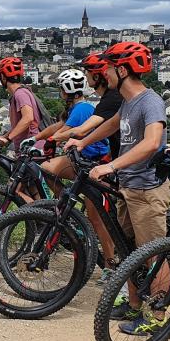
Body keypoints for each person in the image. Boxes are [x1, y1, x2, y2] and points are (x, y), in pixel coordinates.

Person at [65, 42, 170, 336]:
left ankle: (158, 315)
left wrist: (112, 166)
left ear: (122, 70)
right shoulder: (127, 102)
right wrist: (82, 141)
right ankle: (135, 304)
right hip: (129, 189)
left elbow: (151, 143)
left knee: (153, 254)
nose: (104, 73)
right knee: (129, 251)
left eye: (109, 67)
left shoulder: (150, 101)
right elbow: (112, 124)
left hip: (147, 190)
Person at [25, 53, 122, 284]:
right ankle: (67, 206)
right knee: (50, 170)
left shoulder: (86, 107)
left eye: (90, 72)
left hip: (95, 162)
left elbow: (69, 131)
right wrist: (39, 138)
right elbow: (60, 127)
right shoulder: (87, 105)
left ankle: (110, 264)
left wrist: (46, 143)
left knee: (97, 217)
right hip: (89, 160)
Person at [21, 69, 109, 201]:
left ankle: (64, 202)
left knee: (46, 168)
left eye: (61, 88)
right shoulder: (78, 106)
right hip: (84, 155)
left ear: (67, 90)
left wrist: (42, 147)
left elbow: (61, 133)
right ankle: (64, 202)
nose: (60, 91)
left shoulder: (81, 109)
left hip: (91, 159)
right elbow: (57, 126)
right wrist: (35, 138)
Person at [0, 57, 45, 151]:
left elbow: (28, 118)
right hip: (27, 149)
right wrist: (5, 137)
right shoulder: (21, 92)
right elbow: (20, 125)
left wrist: (8, 139)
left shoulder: (20, 94)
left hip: (32, 149)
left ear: (3, 77)